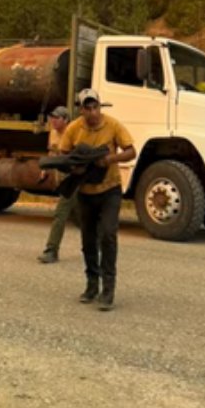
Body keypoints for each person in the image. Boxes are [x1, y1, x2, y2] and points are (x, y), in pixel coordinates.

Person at [60, 88, 136, 311]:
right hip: (85, 192)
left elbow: (131, 151)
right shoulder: (74, 128)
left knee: (109, 235)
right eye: (87, 108)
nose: (92, 112)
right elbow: (64, 154)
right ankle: (92, 284)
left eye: (96, 107)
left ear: (100, 107)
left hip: (110, 189)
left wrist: (109, 159)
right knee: (88, 240)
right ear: (81, 110)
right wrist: (75, 166)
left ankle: (108, 289)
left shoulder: (113, 125)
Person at [37, 106, 78, 263]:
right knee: (80, 215)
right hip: (64, 178)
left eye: (57, 118)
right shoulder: (53, 132)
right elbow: (52, 152)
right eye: (52, 117)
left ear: (66, 120)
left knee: (60, 214)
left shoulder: (74, 133)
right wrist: (46, 169)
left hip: (76, 178)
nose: (53, 120)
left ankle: (51, 250)